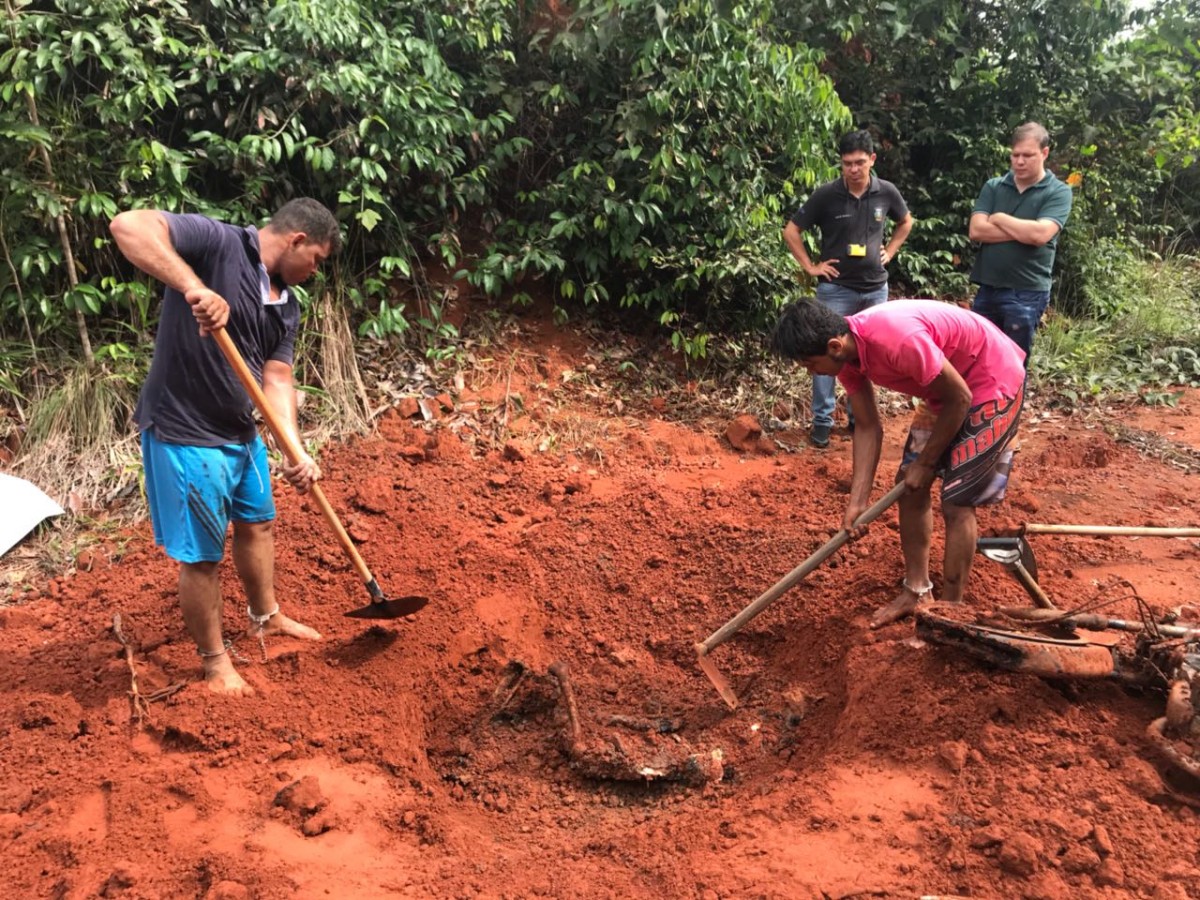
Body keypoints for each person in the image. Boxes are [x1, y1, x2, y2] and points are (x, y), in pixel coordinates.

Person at [110, 199, 341, 696]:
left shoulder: (286, 304)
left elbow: (277, 378)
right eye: (317, 259)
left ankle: (266, 617)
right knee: (202, 556)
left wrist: (293, 451)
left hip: (240, 433)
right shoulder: (219, 244)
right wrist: (194, 286)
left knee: (258, 524)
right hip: (187, 433)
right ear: (297, 239)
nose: (314, 271)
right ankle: (215, 662)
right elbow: (127, 225)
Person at [771, 298, 1026, 628]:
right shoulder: (847, 355)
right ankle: (916, 590)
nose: (811, 372)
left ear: (833, 346)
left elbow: (960, 398)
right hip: (945, 389)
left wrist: (928, 461)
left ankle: (950, 615)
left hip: (991, 380)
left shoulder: (895, 338)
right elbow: (866, 425)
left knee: (957, 501)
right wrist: (857, 503)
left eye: (810, 363)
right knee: (908, 486)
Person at [783, 130, 914, 449]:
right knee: (824, 354)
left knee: (868, 356)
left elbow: (906, 222)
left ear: (872, 160)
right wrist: (811, 267)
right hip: (835, 290)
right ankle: (823, 422)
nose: (853, 169)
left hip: (874, 290)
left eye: (859, 162)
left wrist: (891, 251)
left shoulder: (887, 192)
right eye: (846, 164)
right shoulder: (826, 195)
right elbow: (791, 231)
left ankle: (860, 419)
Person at [968, 122, 1073, 364]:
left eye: (1028, 155)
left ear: (1044, 153)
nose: (1020, 161)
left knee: (1011, 363)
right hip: (988, 288)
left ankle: (1010, 404)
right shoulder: (994, 186)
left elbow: (1040, 235)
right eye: (1015, 155)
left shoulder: (1058, 192)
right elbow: (976, 230)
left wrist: (1000, 218)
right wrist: (1024, 229)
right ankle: (979, 405)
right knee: (976, 358)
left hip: (1027, 291)